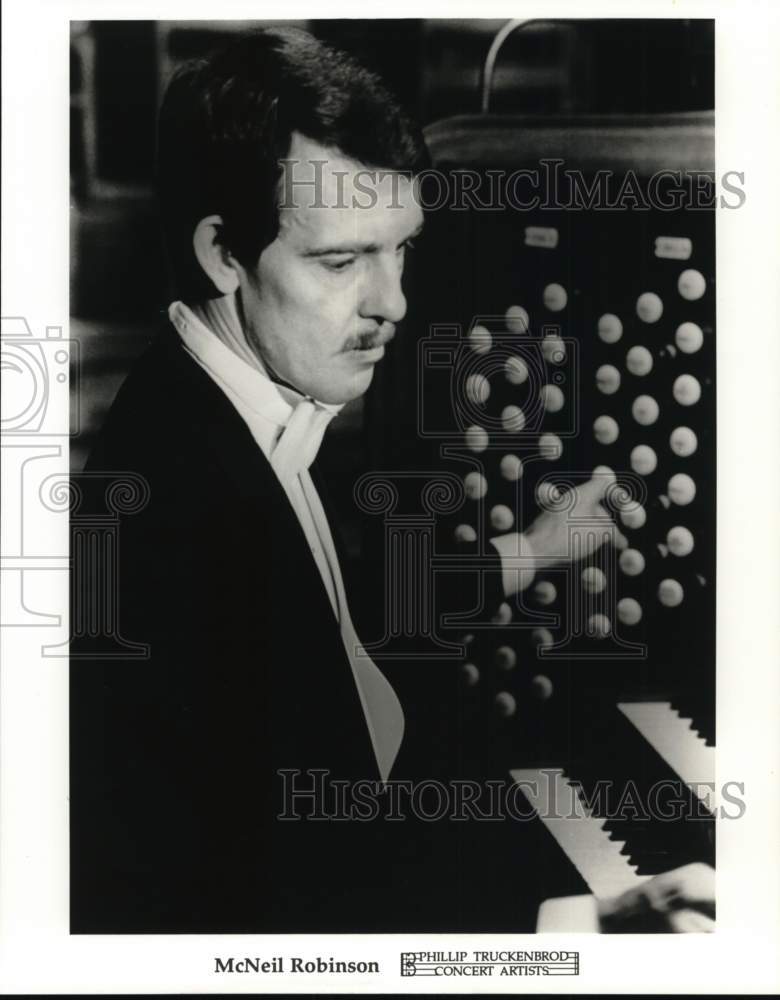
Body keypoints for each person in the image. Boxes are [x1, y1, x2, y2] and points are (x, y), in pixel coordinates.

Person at [70, 26, 636, 935]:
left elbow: (340, 594)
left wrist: (527, 553)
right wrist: (574, 934)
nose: (393, 304)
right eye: (341, 261)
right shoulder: (187, 503)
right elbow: (297, 907)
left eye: (401, 248)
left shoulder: (221, 395)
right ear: (223, 253)